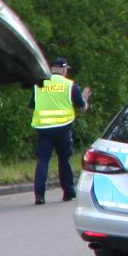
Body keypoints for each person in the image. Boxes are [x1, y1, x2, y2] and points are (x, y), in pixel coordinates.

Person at [30, 56, 89, 204]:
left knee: (43, 159)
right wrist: (85, 99)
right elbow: (81, 107)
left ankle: (39, 195)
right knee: (64, 159)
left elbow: (32, 106)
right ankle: (68, 192)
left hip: (43, 128)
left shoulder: (39, 84)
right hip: (63, 127)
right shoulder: (69, 85)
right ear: (63, 69)